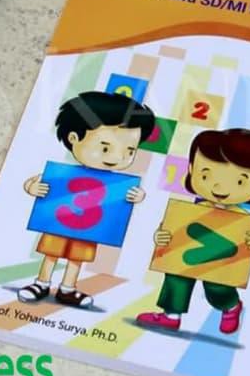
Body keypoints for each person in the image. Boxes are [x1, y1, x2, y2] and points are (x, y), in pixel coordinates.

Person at [137, 128, 250, 334]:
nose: (219, 189)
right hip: (186, 256)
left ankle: (230, 306)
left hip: (222, 263)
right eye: (205, 175)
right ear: (191, 169)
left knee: (217, 287)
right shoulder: (190, 211)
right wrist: (161, 235)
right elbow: (171, 229)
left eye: (240, 181)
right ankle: (171, 315)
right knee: (176, 276)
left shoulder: (244, 219)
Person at [18, 91, 155, 308]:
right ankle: (41, 283)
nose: (116, 158)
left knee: (77, 257)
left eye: (129, 151)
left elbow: (128, 199)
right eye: (105, 148)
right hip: (59, 222)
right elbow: (34, 181)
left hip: (89, 228)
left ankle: (67, 288)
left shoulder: (118, 184)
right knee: (51, 252)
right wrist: (32, 187)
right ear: (74, 138)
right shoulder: (61, 174)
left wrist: (138, 196)